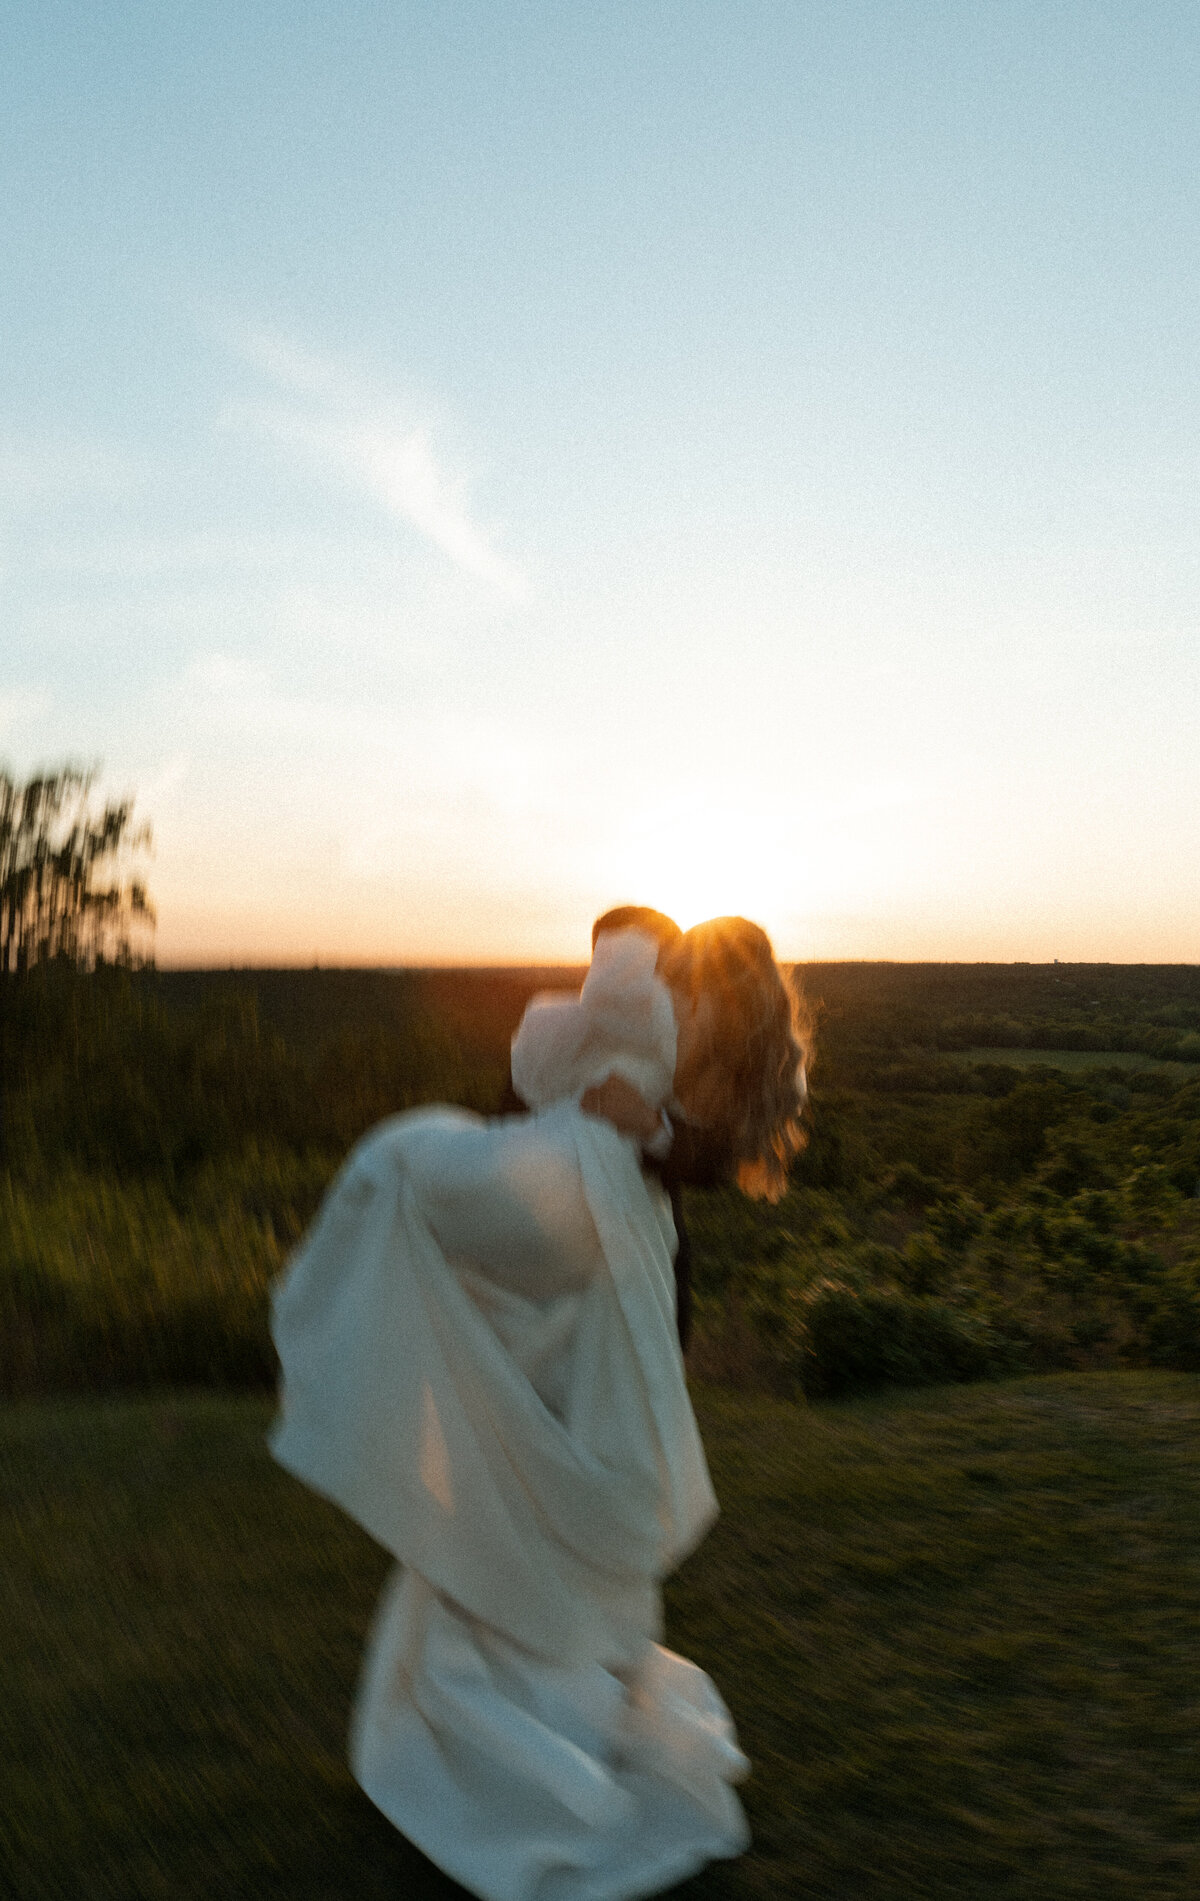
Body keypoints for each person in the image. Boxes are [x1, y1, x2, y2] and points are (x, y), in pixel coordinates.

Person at [269, 915, 807, 1901]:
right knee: (519, 1496)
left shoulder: (696, 1046)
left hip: (633, 1301)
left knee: (586, 1498)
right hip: (552, 1302)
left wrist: (640, 1125)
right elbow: (512, 1129)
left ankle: (562, 1715)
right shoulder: (588, 1027)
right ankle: (509, 1713)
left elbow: (709, 1152)